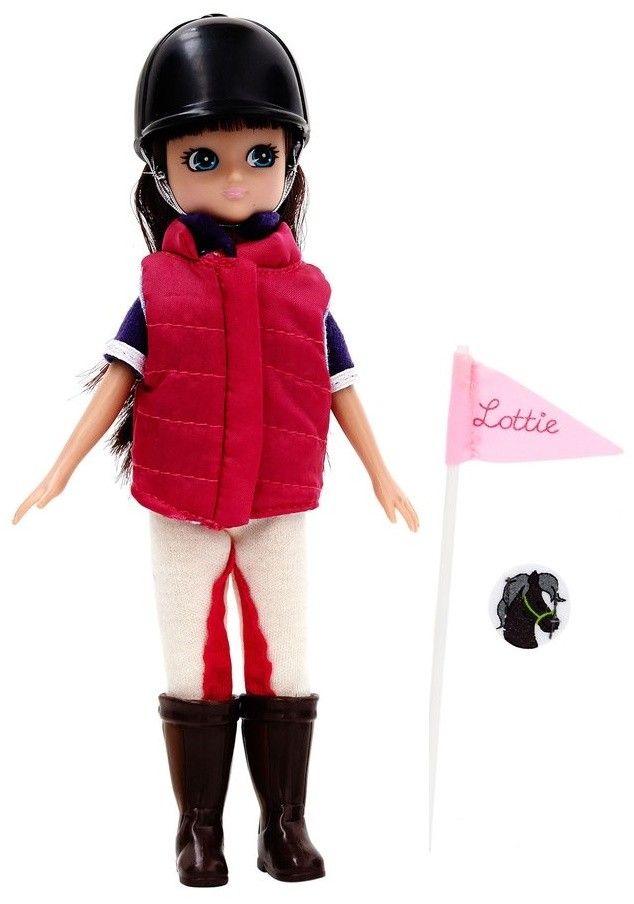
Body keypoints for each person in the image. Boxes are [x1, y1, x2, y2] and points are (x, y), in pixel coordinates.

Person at [13, 14, 419, 887]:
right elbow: (117, 382)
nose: (236, 177)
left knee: (289, 657)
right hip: (182, 503)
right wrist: (60, 468)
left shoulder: (304, 291)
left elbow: (342, 385)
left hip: (277, 501)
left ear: (290, 161)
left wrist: (383, 475)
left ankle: (284, 823)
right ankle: (198, 829)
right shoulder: (161, 288)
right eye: (203, 158)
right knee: (193, 665)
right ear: (162, 172)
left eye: (259, 155)